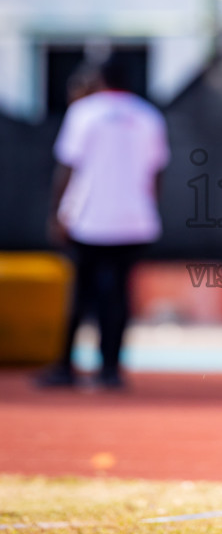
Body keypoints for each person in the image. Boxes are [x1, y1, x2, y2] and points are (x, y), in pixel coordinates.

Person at [38, 53, 170, 390]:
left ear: (98, 80)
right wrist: (149, 208)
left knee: (81, 295)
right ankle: (111, 370)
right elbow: (157, 172)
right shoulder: (148, 116)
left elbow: (67, 166)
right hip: (134, 221)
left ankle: (66, 368)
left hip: (88, 221)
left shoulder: (84, 113)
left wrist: (56, 214)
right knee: (119, 296)